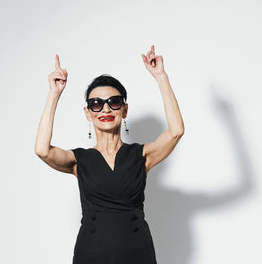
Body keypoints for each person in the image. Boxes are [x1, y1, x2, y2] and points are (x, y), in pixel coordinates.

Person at [35, 45, 184, 264]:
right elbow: (42, 150)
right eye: (96, 104)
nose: (105, 110)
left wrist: (161, 77)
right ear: (88, 113)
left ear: (124, 110)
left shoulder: (141, 155)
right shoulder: (79, 160)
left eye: (113, 102)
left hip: (138, 254)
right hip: (91, 255)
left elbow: (176, 131)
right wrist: (54, 94)